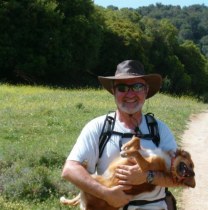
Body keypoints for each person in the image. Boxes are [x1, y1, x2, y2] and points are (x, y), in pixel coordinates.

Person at [61, 60, 178, 210]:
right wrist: (106, 194)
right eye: (122, 87)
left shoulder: (160, 130)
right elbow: (70, 169)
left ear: (146, 90)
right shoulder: (98, 127)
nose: (130, 94)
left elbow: (179, 176)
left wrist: (147, 176)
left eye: (137, 86)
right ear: (114, 91)